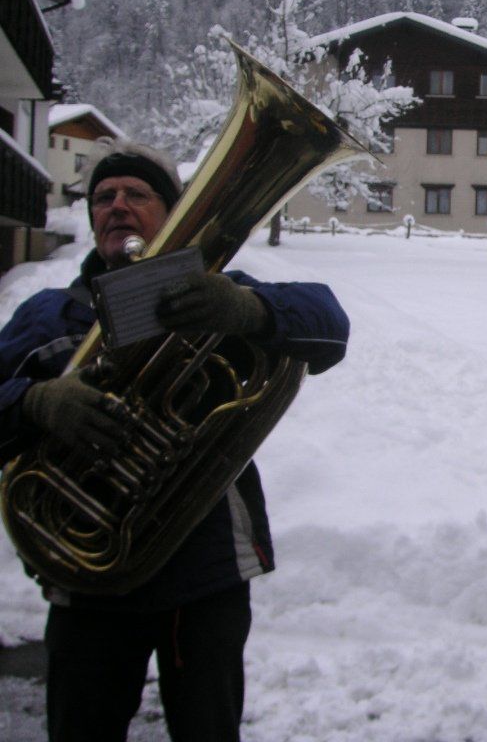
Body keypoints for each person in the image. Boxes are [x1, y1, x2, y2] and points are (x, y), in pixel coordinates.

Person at [0, 138, 350, 742]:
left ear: (170, 214)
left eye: (137, 194)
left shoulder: (211, 296)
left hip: (204, 571)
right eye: (103, 197)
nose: (117, 205)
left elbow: (330, 323)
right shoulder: (49, 316)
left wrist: (248, 310)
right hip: (86, 573)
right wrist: (35, 402)